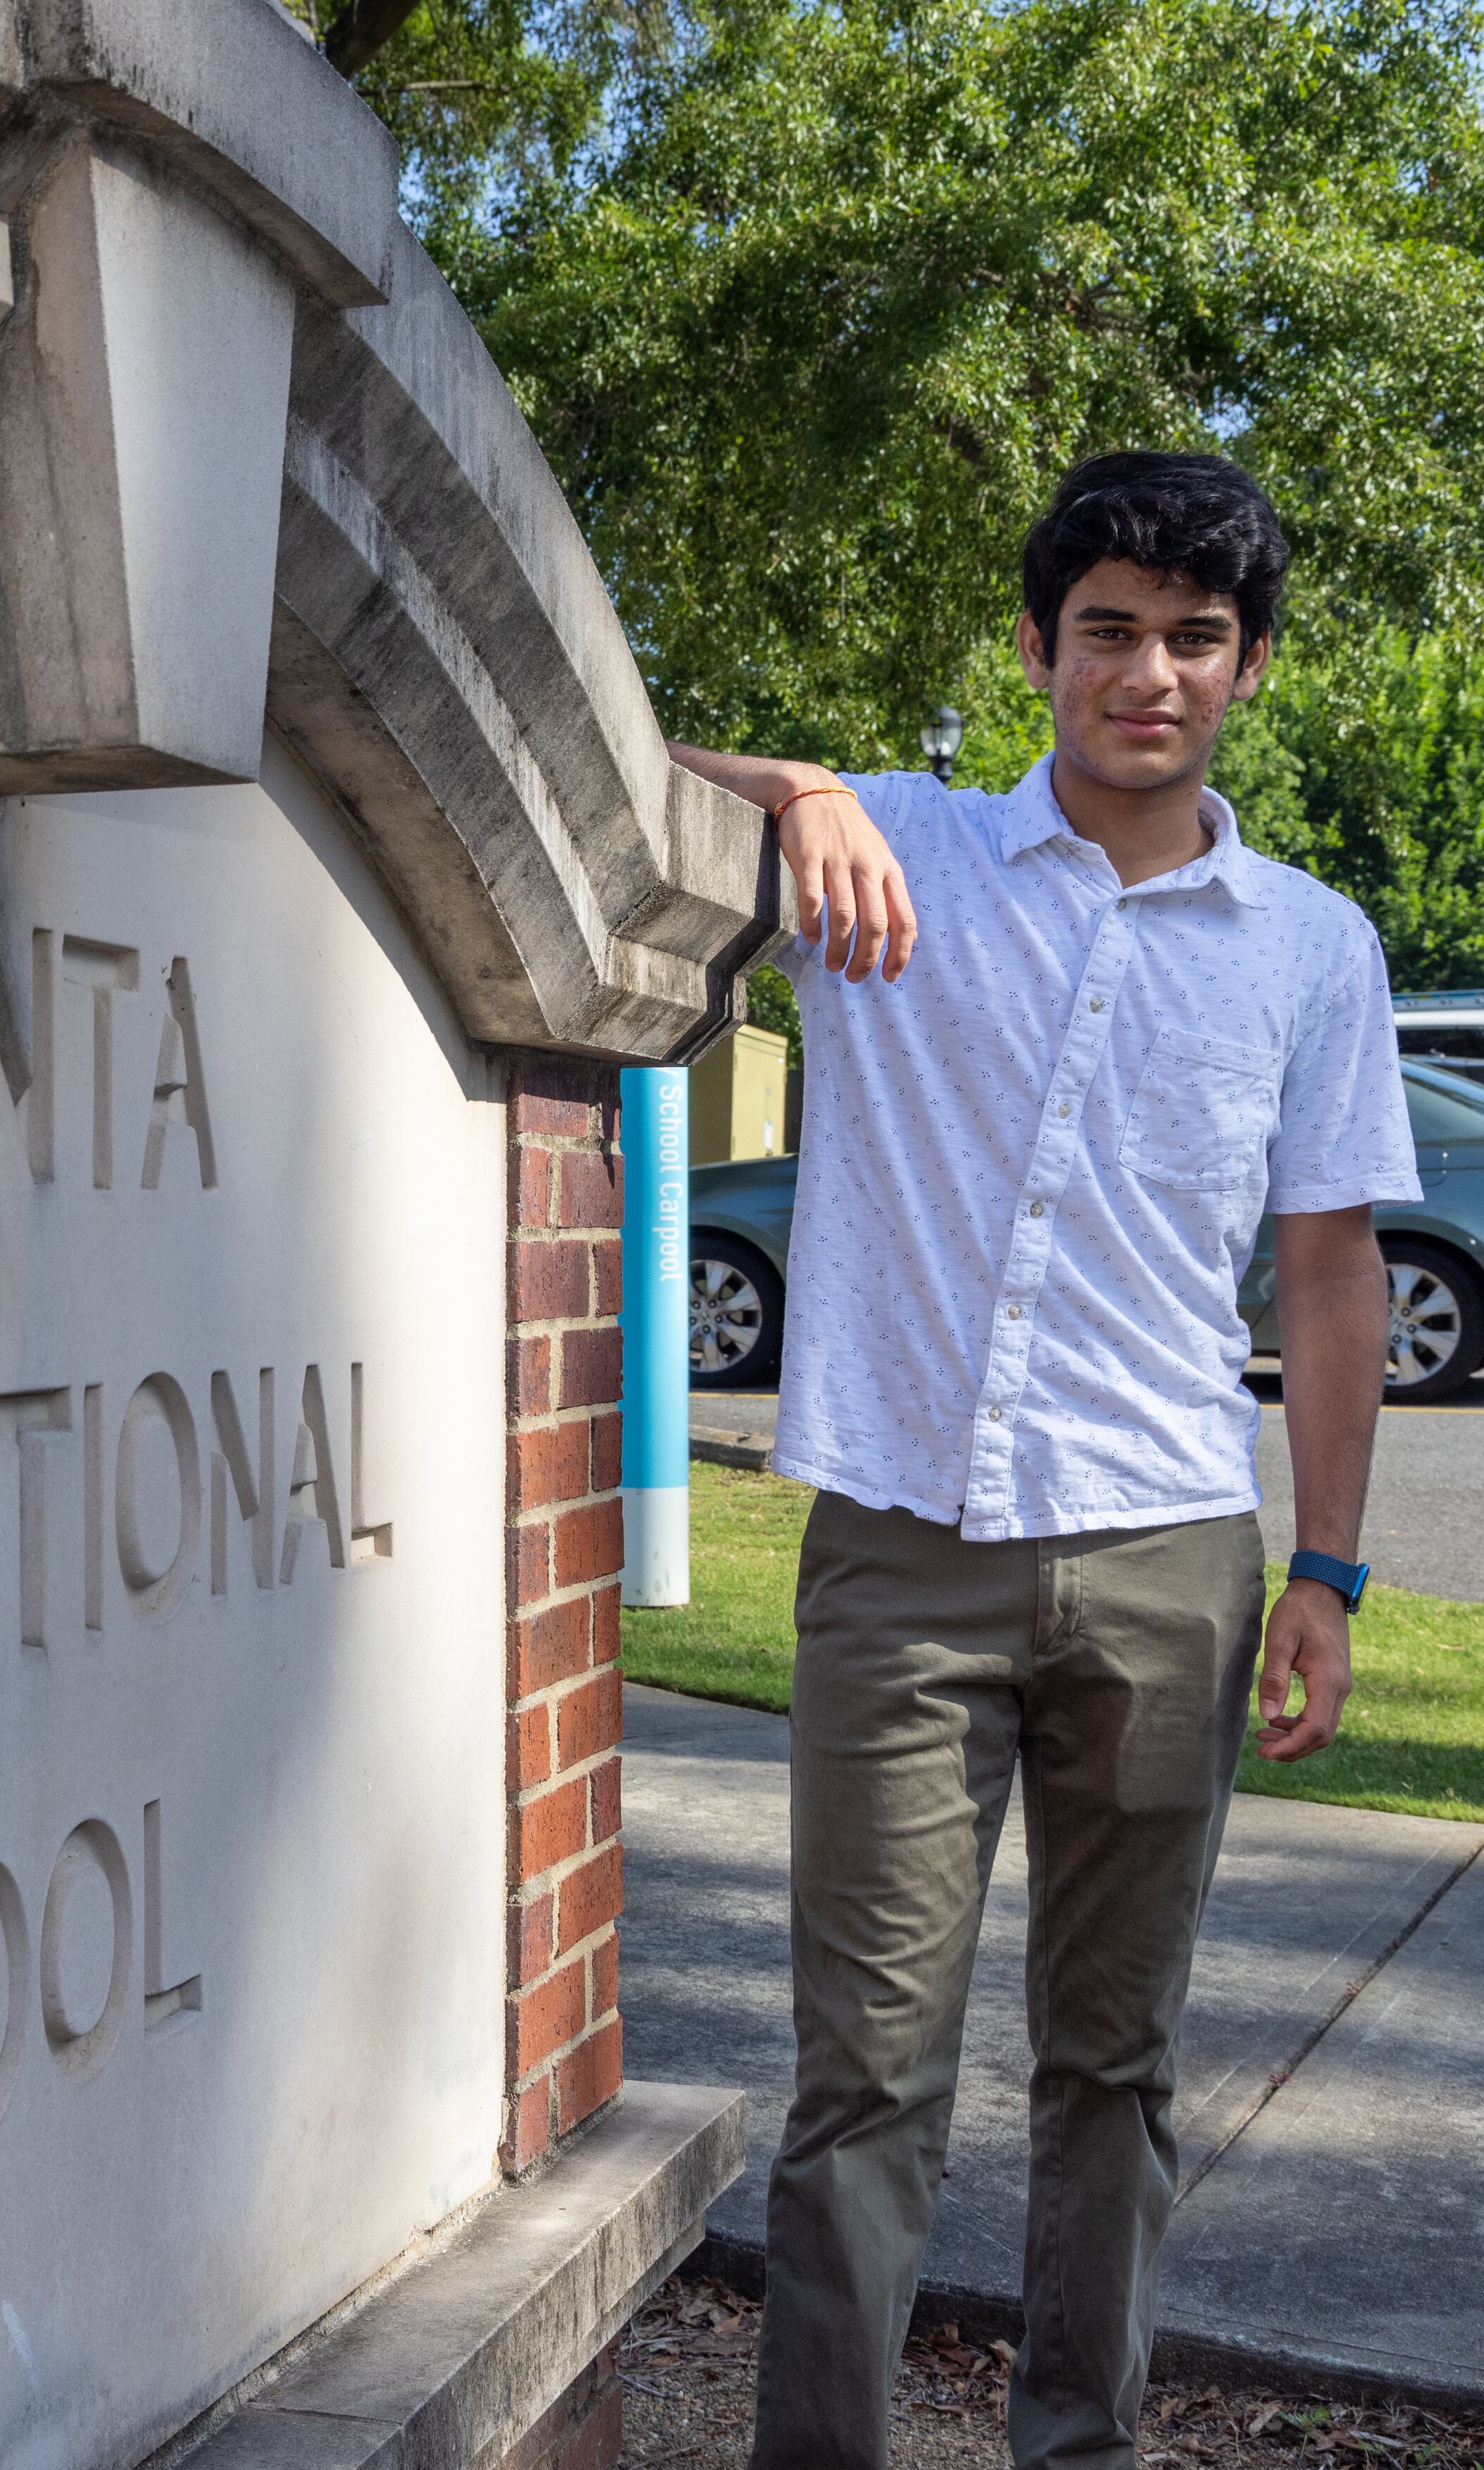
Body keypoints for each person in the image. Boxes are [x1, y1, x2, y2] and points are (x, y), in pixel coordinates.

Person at [670, 452, 1418, 2470]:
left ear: (1248, 663)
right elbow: (625, 762)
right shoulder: (890, 854)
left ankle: (1073, 2445)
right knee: (867, 2079)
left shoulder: (1312, 948)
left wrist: (1332, 1574)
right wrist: (796, 782)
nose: (1147, 672)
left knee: (1117, 2068)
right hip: (904, 1556)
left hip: (1173, 1558)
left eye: (1194, 636)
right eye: (1107, 628)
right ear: (1037, 645)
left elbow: (1336, 1270)